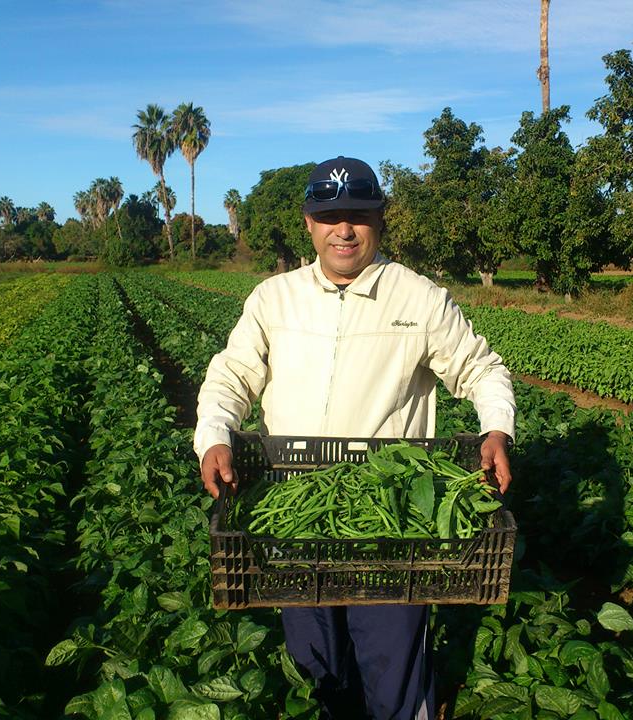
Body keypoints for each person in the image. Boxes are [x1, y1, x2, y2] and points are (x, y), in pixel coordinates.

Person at [195, 156, 516, 720]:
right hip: (294, 509)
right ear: (309, 223)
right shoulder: (274, 299)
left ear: (380, 221)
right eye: (330, 215)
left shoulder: (417, 298)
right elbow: (230, 376)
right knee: (315, 664)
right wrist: (215, 435)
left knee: (392, 669)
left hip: (391, 521)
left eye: (359, 215)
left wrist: (496, 426)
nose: (344, 229)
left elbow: (481, 369)